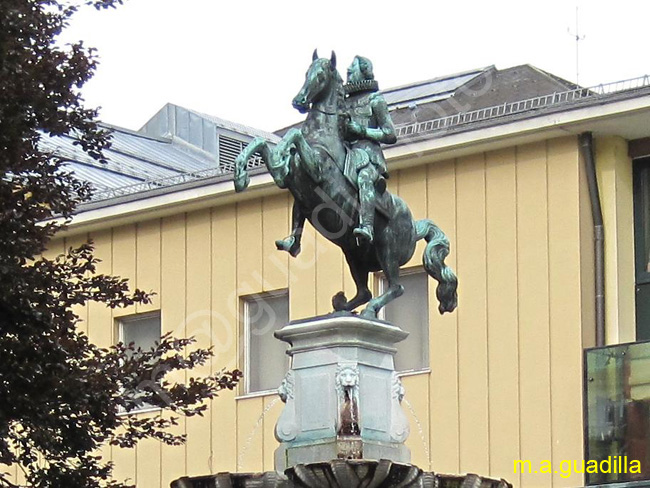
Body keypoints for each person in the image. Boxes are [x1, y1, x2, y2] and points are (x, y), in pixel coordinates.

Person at [342, 55, 397, 244]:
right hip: (346, 154)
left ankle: (367, 226)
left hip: (368, 156)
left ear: (364, 71)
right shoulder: (342, 103)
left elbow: (390, 134)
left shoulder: (375, 100)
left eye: (352, 67)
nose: (348, 71)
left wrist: (363, 131)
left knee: (364, 178)